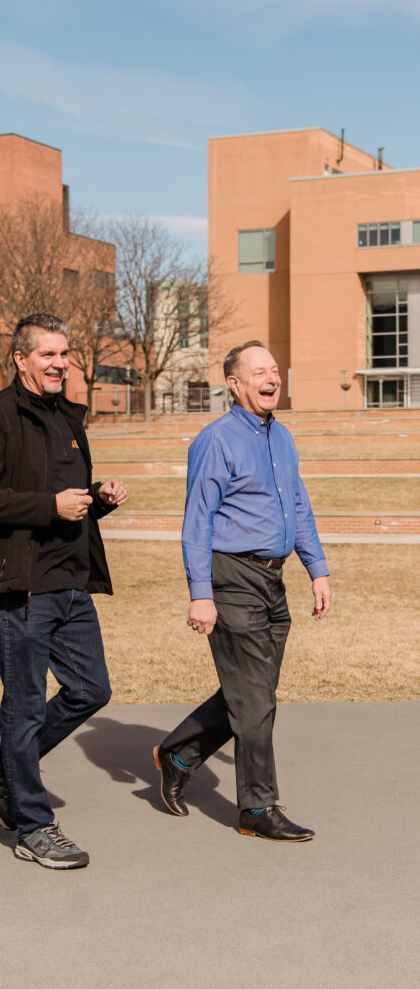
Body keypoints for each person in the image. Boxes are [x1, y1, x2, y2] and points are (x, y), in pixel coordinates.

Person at [0, 313, 128, 869]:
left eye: (64, 354)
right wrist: (47, 508)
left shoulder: (66, 419)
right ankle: (32, 824)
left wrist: (96, 499)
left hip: (72, 583)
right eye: (48, 354)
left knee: (90, 690)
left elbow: (62, 493)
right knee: (24, 705)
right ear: (19, 358)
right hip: (23, 588)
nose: (59, 364)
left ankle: (4, 762)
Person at [154, 340, 330, 841]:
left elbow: (298, 506)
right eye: (259, 371)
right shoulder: (216, 440)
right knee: (254, 698)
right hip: (230, 576)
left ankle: (180, 753)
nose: (270, 377)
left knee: (253, 691)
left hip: (272, 579)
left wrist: (316, 569)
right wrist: (200, 592)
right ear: (234, 384)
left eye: (274, 369)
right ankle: (257, 807)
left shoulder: (283, 438)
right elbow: (197, 522)